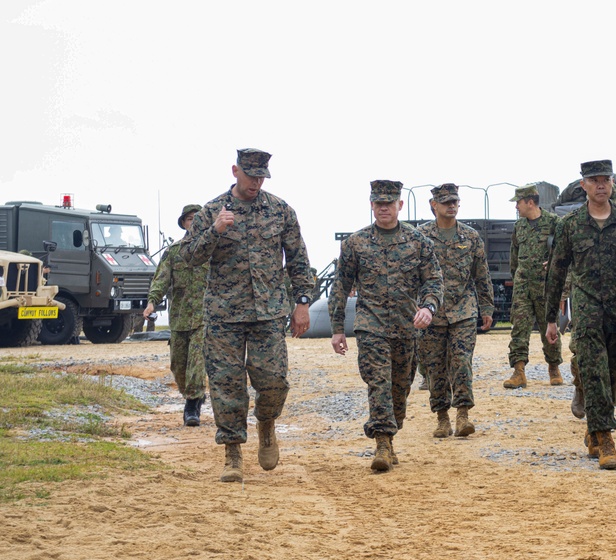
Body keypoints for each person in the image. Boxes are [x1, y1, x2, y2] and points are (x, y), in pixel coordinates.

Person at [181, 148, 313, 483]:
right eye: (250, 175)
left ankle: (266, 424)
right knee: (227, 385)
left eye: (261, 177)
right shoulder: (213, 211)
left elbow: (298, 259)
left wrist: (302, 302)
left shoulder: (281, 210)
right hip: (223, 314)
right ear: (235, 171)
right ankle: (233, 454)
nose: (255, 183)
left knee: (273, 381)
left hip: (268, 313)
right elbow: (188, 257)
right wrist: (214, 232)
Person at [544, 160, 616, 470]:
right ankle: (606, 438)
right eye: (594, 180)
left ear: (612, 183)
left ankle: (594, 426)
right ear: (584, 185)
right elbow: (557, 271)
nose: (601, 184)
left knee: (613, 375)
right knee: (594, 369)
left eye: (605, 179)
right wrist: (551, 317)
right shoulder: (571, 225)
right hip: (587, 307)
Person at [330, 180, 443, 472]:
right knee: (378, 382)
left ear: (399, 206)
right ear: (371, 205)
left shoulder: (418, 242)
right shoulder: (356, 243)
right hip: (371, 326)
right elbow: (340, 287)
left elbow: (433, 281)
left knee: (399, 388)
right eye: (378, 203)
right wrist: (337, 328)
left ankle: (391, 433)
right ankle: (381, 441)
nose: (383, 208)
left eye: (389, 204)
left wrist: (428, 308)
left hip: (407, 327)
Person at [417, 183, 494, 439]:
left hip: (463, 310)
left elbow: (482, 275)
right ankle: (442, 418)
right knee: (434, 367)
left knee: (462, 363)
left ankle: (463, 415)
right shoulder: (420, 237)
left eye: (455, 201)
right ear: (434, 205)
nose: (452, 205)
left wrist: (487, 307)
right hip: (432, 315)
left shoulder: (471, 237)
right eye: (446, 202)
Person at [144, 204, 210, 426]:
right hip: (180, 318)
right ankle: (195, 395)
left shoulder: (213, 251)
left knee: (196, 363)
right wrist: (152, 301)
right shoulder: (174, 252)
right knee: (178, 366)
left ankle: (192, 406)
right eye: (190, 219)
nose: (193, 222)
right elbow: (161, 279)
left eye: (197, 218)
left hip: (205, 318)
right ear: (183, 223)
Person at [504, 184, 564, 389]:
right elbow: (514, 258)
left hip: (546, 288)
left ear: (530, 202)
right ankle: (518, 371)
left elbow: (565, 255)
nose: (516, 208)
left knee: (549, 327)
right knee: (519, 328)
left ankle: (554, 367)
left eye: (518, 203)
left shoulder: (554, 223)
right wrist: (517, 278)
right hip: (523, 286)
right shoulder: (519, 227)